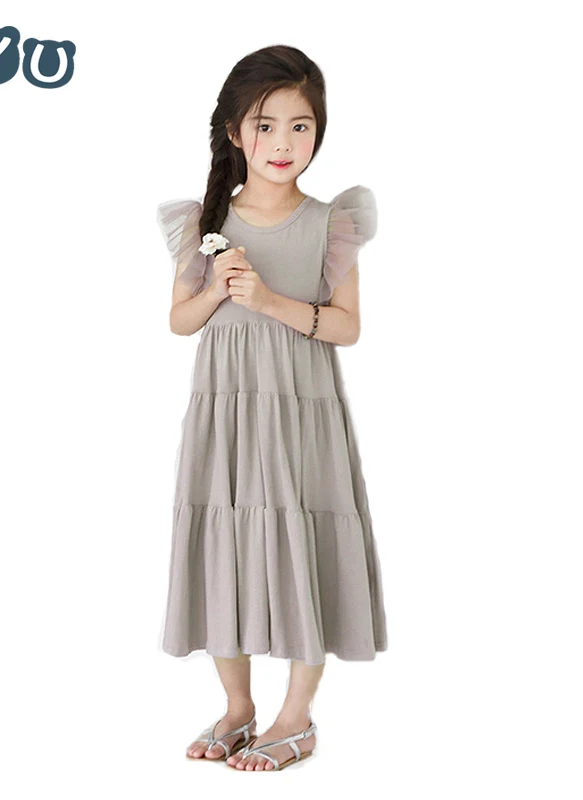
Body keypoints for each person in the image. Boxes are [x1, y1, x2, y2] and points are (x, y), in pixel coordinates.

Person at [156, 44, 388, 771]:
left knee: (304, 536)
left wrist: (269, 300)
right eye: (265, 125)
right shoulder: (204, 222)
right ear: (235, 132)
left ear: (319, 132)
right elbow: (180, 322)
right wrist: (218, 290)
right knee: (221, 539)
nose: (283, 143)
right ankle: (238, 707)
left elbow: (347, 327)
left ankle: (296, 716)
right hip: (225, 412)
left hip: (300, 407)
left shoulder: (331, 223)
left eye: (300, 126)